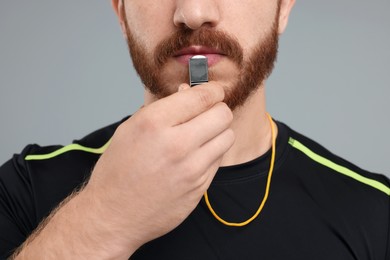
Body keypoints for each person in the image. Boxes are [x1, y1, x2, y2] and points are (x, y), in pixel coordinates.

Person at [0, 0, 389, 259]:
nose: (194, 12)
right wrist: (104, 218)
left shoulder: (376, 214)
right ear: (121, 12)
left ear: (282, 6)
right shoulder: (23, 190)